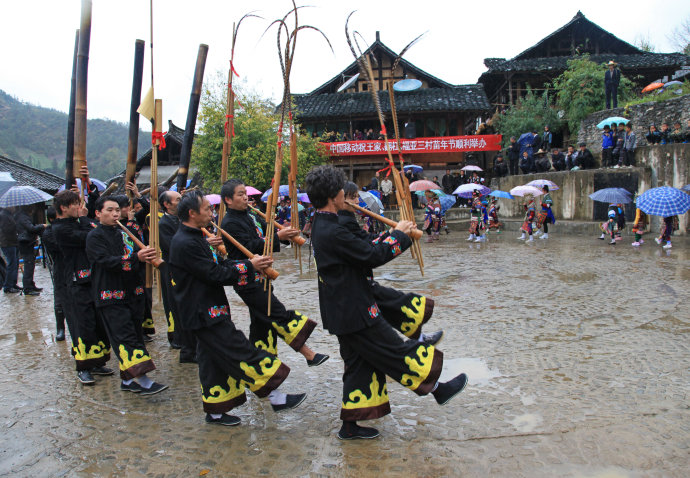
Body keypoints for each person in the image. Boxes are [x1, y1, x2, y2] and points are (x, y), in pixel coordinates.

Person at [306, 164, 467, 440]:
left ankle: (350, 426)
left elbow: (363, 249)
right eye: (343, 190)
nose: (347, 194)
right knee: (394, 351)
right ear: (334, 196)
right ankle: (438, 388)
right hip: (353, 310)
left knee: (359, 365)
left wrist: (393, 235)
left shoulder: (325, 223)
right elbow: (372, 255)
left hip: (344, 308)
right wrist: (400, 235)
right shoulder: (333, 230)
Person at [170, 190, 305, 425]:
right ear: (192, 214)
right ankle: (275, 396)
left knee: (212, 361)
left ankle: (215, 411)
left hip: (209, 309)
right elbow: (215, 274)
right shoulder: (185, 242)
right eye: (206, 209)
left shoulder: (194, 238)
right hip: (203, 313)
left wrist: (248, 264)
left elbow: (220, 264)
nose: (211, 212)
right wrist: (249, 266)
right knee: (239, 349)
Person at [219, 179, 328, 368]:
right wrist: (277, 237)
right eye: (240, 194)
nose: (246, 197)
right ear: (228, 199)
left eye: (245, 193)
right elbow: (250, 246)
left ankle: (264, 368)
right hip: (246, 279)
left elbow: (266, 233)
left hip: (262, 276)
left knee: (262, 324)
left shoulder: (250, 215)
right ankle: (309, 355)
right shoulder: (229, 222)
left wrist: (284, 232)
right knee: (276, 313)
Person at [339, 183, 442, 345]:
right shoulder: (341, 222)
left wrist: (393, 232)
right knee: (389, 310)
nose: (357, 201)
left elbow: (367, 241)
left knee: (387, 311)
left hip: (356, 285)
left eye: (357, 197)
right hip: (352, 288)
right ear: (338, 198)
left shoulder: (346, 219)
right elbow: (370, 251)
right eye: (353, 197)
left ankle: (418, 339)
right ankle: (415, 345)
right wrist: (398, 235)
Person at [85, 197, 167, 395]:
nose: (115, 214)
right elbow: (105, 261)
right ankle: (143, 380)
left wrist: (146, 255)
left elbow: (136, 257)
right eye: (110, 210)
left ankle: (128, 380)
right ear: (97, 213)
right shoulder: (94, 236)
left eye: (117, 210)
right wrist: (134, 258)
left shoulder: (125, 233)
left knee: (135, 334)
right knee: (125, 336)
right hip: (110, 294)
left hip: (132, 292)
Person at [52, 189, 113, 385]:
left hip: (90, 279)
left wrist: (85, 220)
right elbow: (91, 235)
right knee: (81, 324)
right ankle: (83, 366)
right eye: (75, 205)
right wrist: (87, 220)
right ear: (63, 208)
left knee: (97, 321)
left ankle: (97, 362)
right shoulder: (60, 229)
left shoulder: (77, 223)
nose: (80, 208)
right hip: (74, 282)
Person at [158, 189, 198, 360]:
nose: (181, 202)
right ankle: (184, 345)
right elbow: (172, 246)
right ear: (167, 205)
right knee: (177, 305)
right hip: (173, 269)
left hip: (187, 268)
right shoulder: (163, 224)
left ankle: (192, 343)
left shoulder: (182, 221)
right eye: (177, 199)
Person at [42, 207, 67, 341]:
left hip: (74, 268)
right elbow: (60, 248)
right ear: (52, 219)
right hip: (60, 268)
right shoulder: (48, 232)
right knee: (59, 299)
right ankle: (60, 328)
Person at [15, 204, 45, 295]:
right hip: (25, 243)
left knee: (30, 264)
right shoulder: (22, 217)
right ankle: (28, 288)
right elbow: (31, 228)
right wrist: (42, 226)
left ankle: (31, 284)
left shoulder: (22, 216)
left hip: (27, 242)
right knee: (28, 265)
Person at [0, 206, 21, 293]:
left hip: (13, 242)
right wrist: (15, 226)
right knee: (11, 264)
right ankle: (8, 286)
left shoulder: (9, 215)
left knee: (15, 263)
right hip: (7, 243)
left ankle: (13, 283)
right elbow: (6, 229)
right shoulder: (3, 215)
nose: (14, 207)